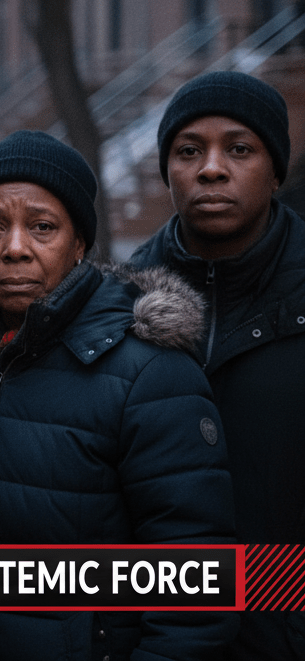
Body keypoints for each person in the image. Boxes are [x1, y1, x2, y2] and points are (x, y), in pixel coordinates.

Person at [0, 131, 237, 660]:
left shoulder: (150, 375)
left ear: (79, 243)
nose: (14, 248)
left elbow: (197, 590)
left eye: (43, 227)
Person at [126, 71, 305, 659]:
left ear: (275, 168)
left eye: (239, 149)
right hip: (159, 633)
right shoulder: (115, 303)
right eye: (188, 151)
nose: (210, 168)